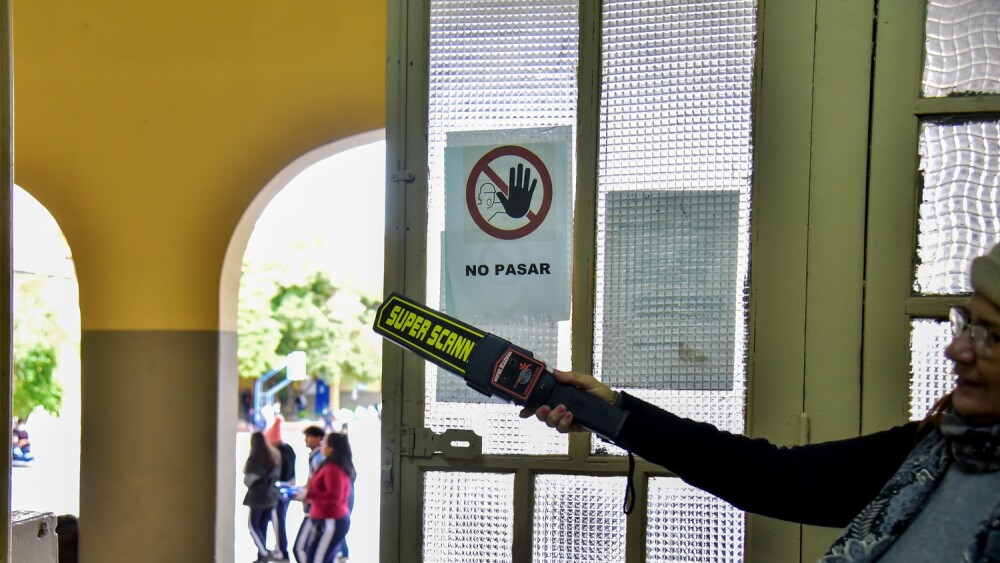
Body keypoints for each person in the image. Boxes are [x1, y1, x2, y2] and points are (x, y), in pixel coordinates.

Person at [522, 242, 1000, 562]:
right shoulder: (937, 450)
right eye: (965, 325)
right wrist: (613, 411)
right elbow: (768, 476)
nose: (955, 350)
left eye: (990, 337)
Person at [294, 432, 354, 563]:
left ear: (331, 448)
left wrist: (308, 494)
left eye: (325, 443)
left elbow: (334, 496)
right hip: (325, 518)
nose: (321, 446)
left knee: (317, 559)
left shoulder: (333, 468)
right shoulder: (329, 464)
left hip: (332, 519)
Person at [243, 431, 281, 563]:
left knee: (253, 526)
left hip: (258, 496)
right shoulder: (274, 455)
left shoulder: (255, 457)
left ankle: (263, 552)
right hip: (271, 494)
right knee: (263, 526)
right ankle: (261, 554)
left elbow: (249, 479)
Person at [292, 426, 326, 562]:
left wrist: (307, 494)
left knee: (300, 548)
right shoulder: (315, 457)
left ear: (318, 438)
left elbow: (318, 484)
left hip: (316, 508)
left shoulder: (319, 458)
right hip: (314, 506)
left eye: (308, 437)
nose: (306, 440)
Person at [265, 417, 296, 562]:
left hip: (278, 490)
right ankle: (281, 549)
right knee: (281, 519)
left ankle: (282, 551)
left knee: (278, 521)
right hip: (288, 488)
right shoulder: (289, 449)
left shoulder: (275, 453)